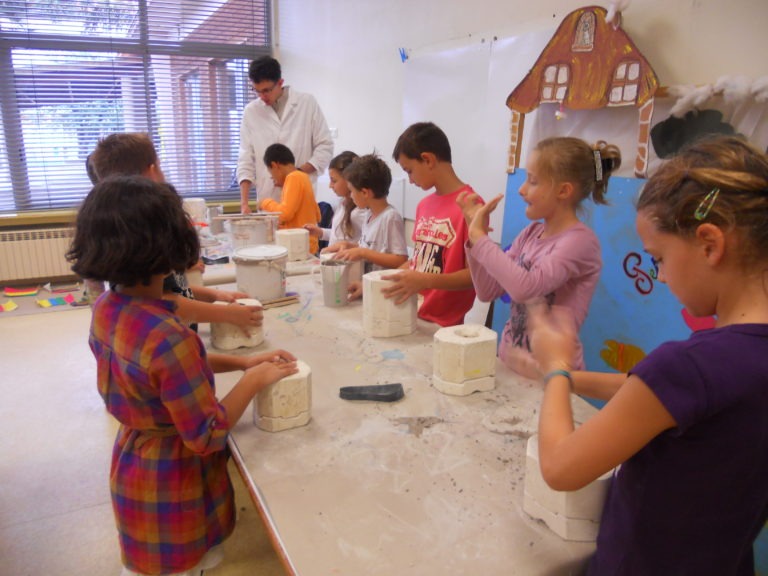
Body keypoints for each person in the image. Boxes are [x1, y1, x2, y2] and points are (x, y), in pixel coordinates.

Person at [527, 135, 768, 575]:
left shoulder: (691, 364)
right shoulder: (738, 359)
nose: (660, 277)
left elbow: (561, 468)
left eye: (658, 259)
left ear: (710, 244)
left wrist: (556, 372)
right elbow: (662, 397)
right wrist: (579, 381)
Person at [67, 175, 299, 576]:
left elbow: (167, 376)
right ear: (168, 245)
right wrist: (252, 382)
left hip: (133, 466)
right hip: (173, 488)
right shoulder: (169, 337)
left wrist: (245, 362)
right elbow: (207, 433)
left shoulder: (107, 307)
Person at [458, 137, 621, 378]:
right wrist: (474, 239)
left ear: (563, 191)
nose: (522, 189)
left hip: (552, 374)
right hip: (512, 364)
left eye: (533, 181)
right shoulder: (531, 233)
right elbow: (487, 290)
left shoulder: (580, 242)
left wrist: (480, 239)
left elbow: (526, 288)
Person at [87, 132, 262, 354]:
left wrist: (213, 295)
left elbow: (170, 287)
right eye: (160, 166)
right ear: (151, 171)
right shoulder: (148, 225)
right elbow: (164, 302)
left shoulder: (119, 226)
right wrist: (227, 314)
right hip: (171, 346)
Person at [380, 122, 477, 327]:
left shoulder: (471, 205)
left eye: (409, 170)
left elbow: (474, 276)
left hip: (444, 326)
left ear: (428, 159)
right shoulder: (424, 205)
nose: (410, 180)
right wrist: (379, 283)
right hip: (414, 314)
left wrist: (425, 281)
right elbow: (419, 262)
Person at [237, 56, 333, 212]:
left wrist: (295, 175)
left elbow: (325, 146)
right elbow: (245, 158)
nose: (262, 97)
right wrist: (244, 203)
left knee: (301, 234)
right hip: (268, 199)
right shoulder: (251, 112)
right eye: (257, 91)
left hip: (300, 199)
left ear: (280, 83)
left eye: (266, 90)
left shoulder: (307, 103)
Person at [335, 154, 408, 298]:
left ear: (364, 192)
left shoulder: (391, 217)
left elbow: (400, 260)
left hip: (382, 291)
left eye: (351, 191)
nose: (350, 195)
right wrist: (351, 247)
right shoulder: (368, 214)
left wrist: (363, 253)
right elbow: (371, 245)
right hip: (367, 287)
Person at [258, 143, 322, 254]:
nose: (273, 178)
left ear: (275, 165)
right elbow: (318, 215)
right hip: (308, 244)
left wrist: (265, 202)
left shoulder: (293, 178)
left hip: (298, 245)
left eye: (271, 173)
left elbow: (285, 214)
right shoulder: (303, 177)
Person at [304, 150, 367, 252]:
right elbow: (339, 236)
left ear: (349, 180)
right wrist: (320, 232)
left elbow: (366, 246)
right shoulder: (342, 204)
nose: (330, 185)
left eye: (334, 180)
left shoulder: (360, 212)